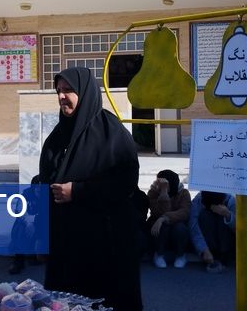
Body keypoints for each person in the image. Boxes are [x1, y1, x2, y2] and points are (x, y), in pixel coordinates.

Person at [39, 67, 142, 311]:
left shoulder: (112, 134)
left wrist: (78, 191)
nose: (62, 96)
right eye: (59, 91)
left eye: (68, 90)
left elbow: (125, 183)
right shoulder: (57, 137)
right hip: (66, 246)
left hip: (105, 247)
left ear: (85, 93)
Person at [146, 169, 191, 269]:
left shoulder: (183, 193)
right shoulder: (153, 192)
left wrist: (164, 218)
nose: (160, 185)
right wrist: (163, 193)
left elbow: (185, 212)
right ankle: (159, 253)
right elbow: (157, 212)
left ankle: (180, 255)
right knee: (161, 226)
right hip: (159, 227)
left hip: (176, 225)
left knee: (180, 228)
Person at [189, 191, 236, 273]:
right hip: (208, 241)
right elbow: (193, 226)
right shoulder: (198, 199)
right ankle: (211, 255)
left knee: (223, 218)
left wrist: (228, 215)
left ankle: (224, 255)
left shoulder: (231, 200)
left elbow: (240, 228)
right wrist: (203, 249)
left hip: (227, 241)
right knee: (205, 215)